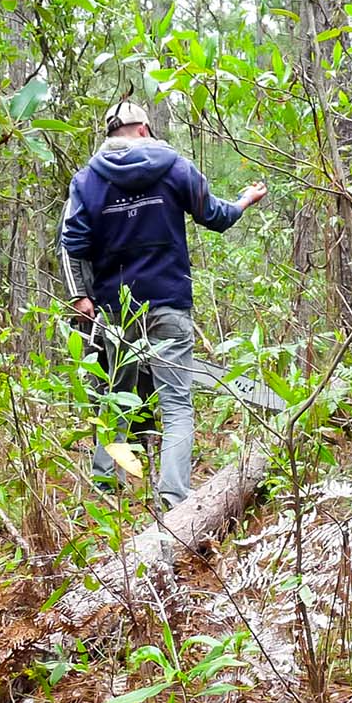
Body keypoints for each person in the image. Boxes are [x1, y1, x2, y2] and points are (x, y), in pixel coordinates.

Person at [60, 100, 267, 507]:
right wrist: (244, 200)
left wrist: (82, 296)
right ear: (142, 129)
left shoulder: (86, 181)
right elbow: (215, 215)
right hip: (168, 302)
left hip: (116, 309)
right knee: (176, 405)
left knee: (115, 401)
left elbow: (73, 242)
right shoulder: (174, 167)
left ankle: (106, 491)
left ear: (112, 133)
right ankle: (174, 500)